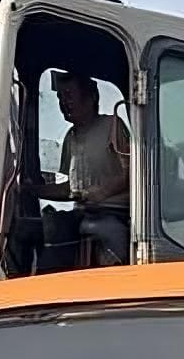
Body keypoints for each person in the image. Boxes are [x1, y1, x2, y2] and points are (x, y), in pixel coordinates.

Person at [46, 72, 131, 264]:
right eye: (60, 97)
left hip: (113, 213)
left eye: (68, 95)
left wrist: (100, 193)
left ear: (91, 97)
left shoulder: (112, 126)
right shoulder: (70, 137)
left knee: (107, 231)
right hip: (81, 215)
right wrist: (31, 190)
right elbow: (70, 188)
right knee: (49, 228)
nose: (63, 103)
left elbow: (132, 171)